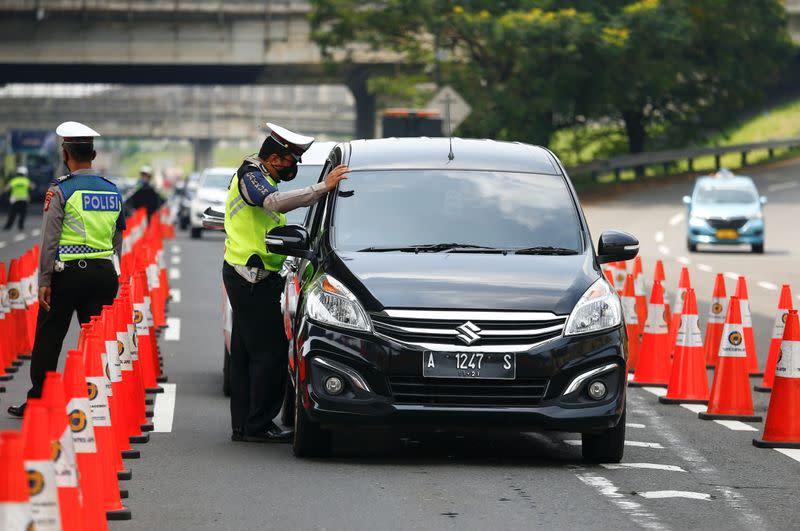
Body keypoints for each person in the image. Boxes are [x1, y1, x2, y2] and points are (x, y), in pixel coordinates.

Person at [223, 123, 348, 443]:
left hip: (254, 275)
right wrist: (322, 188)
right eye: (292, 161)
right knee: (269, 353)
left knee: (245, 353)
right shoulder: (251, 176)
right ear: (277, 158)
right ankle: (258, 425)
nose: (293, 168)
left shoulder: (261, 174)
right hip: (252, 278)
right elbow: (273, 203)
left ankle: (246, 425)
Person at [8, 121, 125, 418]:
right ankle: (98, 400)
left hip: (67, 274)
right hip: (103, 274)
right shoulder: (113, 191)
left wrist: (44, 279)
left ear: (65, 153)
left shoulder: (61, 190)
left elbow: (50, 239)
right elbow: (117, 238)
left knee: (50, 337)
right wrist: (115, 274)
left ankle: (40, 401)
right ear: (93, 154)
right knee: (96, 338)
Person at [3, 166, 34, 230]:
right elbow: (33, 187)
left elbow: (6, 188)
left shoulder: (14, 180)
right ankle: (21, 226)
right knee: (22, 214)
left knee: (12, 214)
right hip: (24, 199)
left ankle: (8, 226)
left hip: (14, 199)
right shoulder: (26, 180)